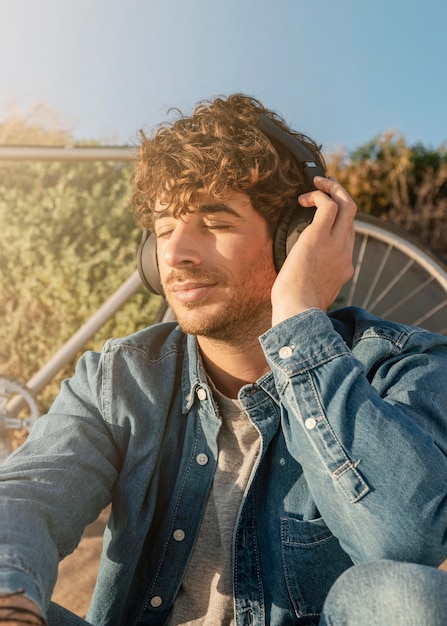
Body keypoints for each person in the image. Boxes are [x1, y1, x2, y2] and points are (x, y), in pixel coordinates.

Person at [1, 93, 447, 626]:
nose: (175, 253)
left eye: (214, 222)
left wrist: (298, 322)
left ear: (295, 240)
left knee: (405, 599)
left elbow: (403, 539)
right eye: (165, 229)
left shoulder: (399, 368)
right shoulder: (120, 379)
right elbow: (27, 496)